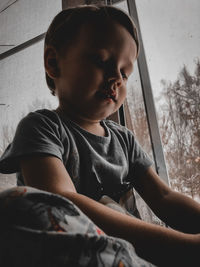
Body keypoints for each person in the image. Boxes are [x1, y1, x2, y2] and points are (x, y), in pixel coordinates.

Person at [0, 5, 199, 266]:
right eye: (101, 61)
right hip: (71, 254)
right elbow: (62, 200)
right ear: (53, 63)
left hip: (130, 258)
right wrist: (182, 249)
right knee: (13, 205)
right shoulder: (42, 126)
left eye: (125, 73)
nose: (116, 78)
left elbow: (164, 197)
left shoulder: (124, 140)